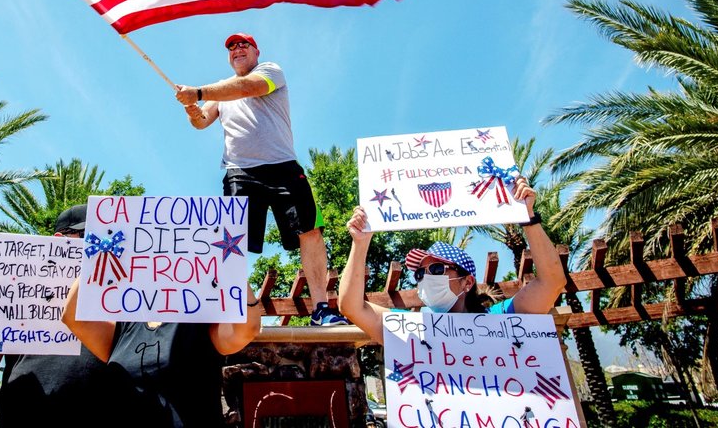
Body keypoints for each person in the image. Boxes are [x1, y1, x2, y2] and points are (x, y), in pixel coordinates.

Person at [175, 32, 345, 325]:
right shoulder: (220, 92)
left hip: (283, 167)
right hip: (240, 171)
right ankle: (231, 306)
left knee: (310, 232)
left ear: (256, 51)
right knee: (231, 242)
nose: (237, 49)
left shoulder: (270, 71)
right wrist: (193, 110)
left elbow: (247, 88)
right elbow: (202, 122)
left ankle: (322, 308)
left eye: (243, 44)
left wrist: (199, 93)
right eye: (231, 47)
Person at [338, 176, 567, 344]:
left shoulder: (502, 318)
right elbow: (351, 306)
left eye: (437, 269)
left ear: (467, 282)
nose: (425, 278)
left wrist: (529, 218)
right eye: (419, 274)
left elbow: (551, 282)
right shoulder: (413, 327)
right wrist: (360, 244)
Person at [0, 204, 113, 426]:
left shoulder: (117, 296)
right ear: (61, 240)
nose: (100, 246)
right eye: (89, 236)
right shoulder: (19, 294)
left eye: (105, 238)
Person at [61, 275, 263, 428]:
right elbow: (72, 316)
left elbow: (247, 329)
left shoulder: (200, 323)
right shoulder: (125, 325)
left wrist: (228, 261)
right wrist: (101, 246)